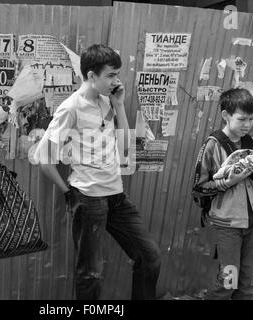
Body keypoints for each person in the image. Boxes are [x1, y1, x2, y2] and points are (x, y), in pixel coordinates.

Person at [33, 44, 161, 300]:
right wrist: (69, 194)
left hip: (116, 196)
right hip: (88, 199)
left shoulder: (107, 101)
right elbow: (43, 158)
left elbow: (125, 148)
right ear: (92, 76)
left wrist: (120, 105)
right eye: (111, 75)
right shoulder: (70, 108)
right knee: (90, 273)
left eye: (117, 74)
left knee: (149, 257)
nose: (116, 80)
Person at [192, 88, 253, 300]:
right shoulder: (213, 144)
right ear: (225, 115)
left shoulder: (251, 144)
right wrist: (228, 182)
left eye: (251, 119)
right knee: (229, 281)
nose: (247, 124)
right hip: (228, 225)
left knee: (246, 285)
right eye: (242, 119)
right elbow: (198, 189)